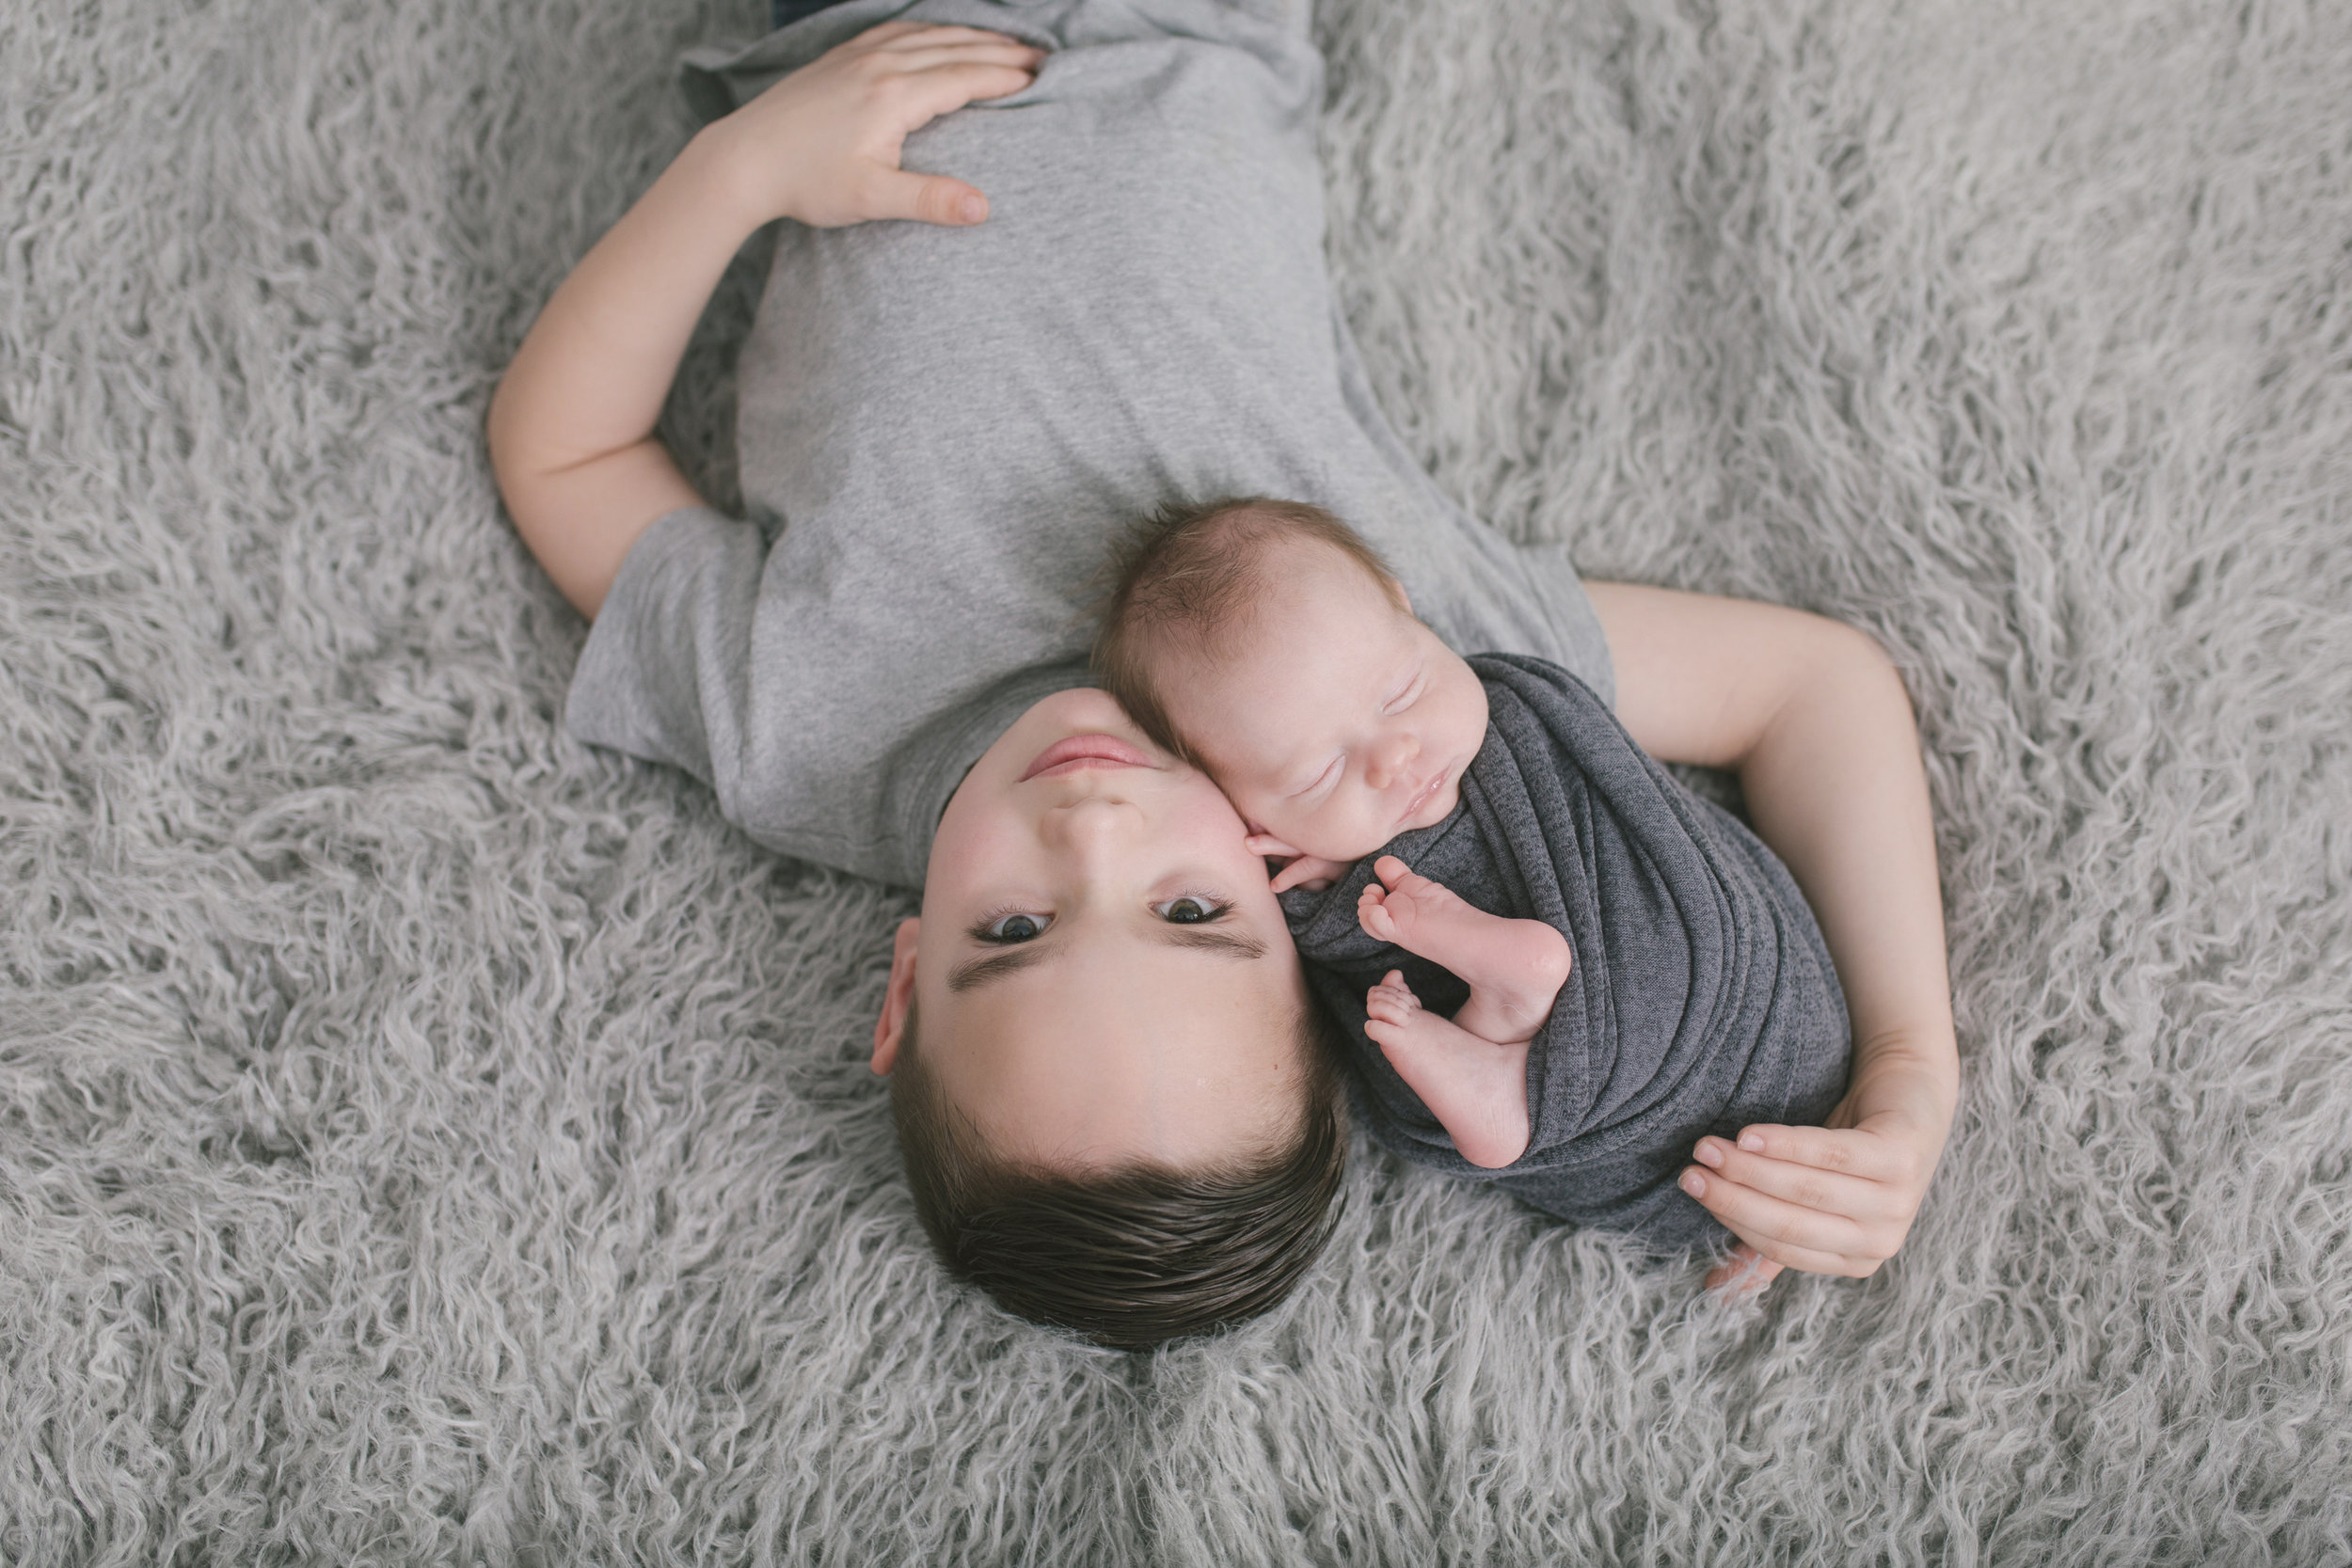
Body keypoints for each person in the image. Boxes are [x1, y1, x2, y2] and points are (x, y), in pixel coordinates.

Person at [488, 0, 1957, 1345]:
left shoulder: (807, 731)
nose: (1094, 832)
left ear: (904, 986)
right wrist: (1905, 1070)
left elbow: (564, 457)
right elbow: (1808, 687)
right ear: (1293, 908)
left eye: (1010, 927)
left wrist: (742, 172)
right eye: (1191, 911)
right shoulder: (1387, 687)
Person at [1094, 499, 1856, 1247]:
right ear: (1241, 813)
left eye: (1401, 692)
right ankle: (1507, 1035)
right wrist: (1331, 881)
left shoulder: (1519, 711)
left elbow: (1639, 808)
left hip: (1743, 999)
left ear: (1407, 607)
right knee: (1377, 996)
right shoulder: (1295, 868)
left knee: (1407, 949)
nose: (1396, 759)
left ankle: (1516, 1015)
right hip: (1696, 1182)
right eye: (1318, 773)